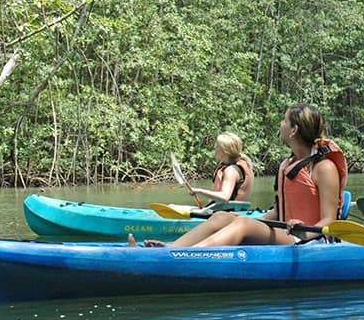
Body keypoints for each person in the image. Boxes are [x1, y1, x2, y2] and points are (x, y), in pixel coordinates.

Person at [141, 104, 347, 248]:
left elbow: (328, 220)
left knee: (243, 224)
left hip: (311, 239)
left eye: (284, 120)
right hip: (286, 233)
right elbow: (279, 210)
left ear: (294, 130)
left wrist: (303, 231)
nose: (281, 124)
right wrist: (252, 221)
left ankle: (183, 256)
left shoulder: (324, 167)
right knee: (223, 216)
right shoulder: (288, 164)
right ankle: (171, 248)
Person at [189, 132, 255, 203]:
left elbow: (225, 196)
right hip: (232, 211)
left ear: (225, 150)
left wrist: (199, 191)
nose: (215, 148)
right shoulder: (237, 165)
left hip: (228, 212)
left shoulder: (231, 170)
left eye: (217, 146)